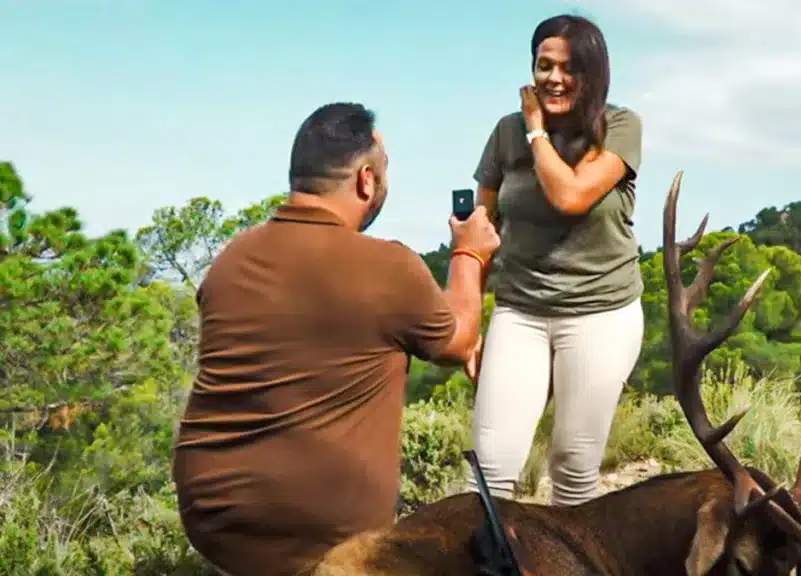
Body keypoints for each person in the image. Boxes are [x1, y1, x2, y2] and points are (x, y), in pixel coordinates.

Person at [171, 102, 500, 576]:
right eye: (384, 171)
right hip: (320, 527)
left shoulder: (232, 258)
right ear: (366, 179)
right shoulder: (387, 265)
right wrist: (469, 253)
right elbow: (458, 341)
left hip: (213, 518)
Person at [464, 13, 645, 507]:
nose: (554, 78)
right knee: (490, 468)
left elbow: (570, 196)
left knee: (572, 466)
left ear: (593, 75)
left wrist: (537, 132)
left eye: (569, 68)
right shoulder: (505, 133)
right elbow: (481, 230)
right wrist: (469, 325)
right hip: (520, 311)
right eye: (544, 66)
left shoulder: (620, 127)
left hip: (600, 314)